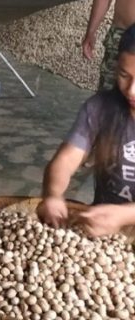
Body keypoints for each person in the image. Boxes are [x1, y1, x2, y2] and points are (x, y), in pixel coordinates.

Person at [38, 24, 135, 238]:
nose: (131, 90)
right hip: (102, 233)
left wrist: (125, 216)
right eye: (124, 75)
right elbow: (65, 160)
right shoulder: (100, 108)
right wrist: (53, 195)